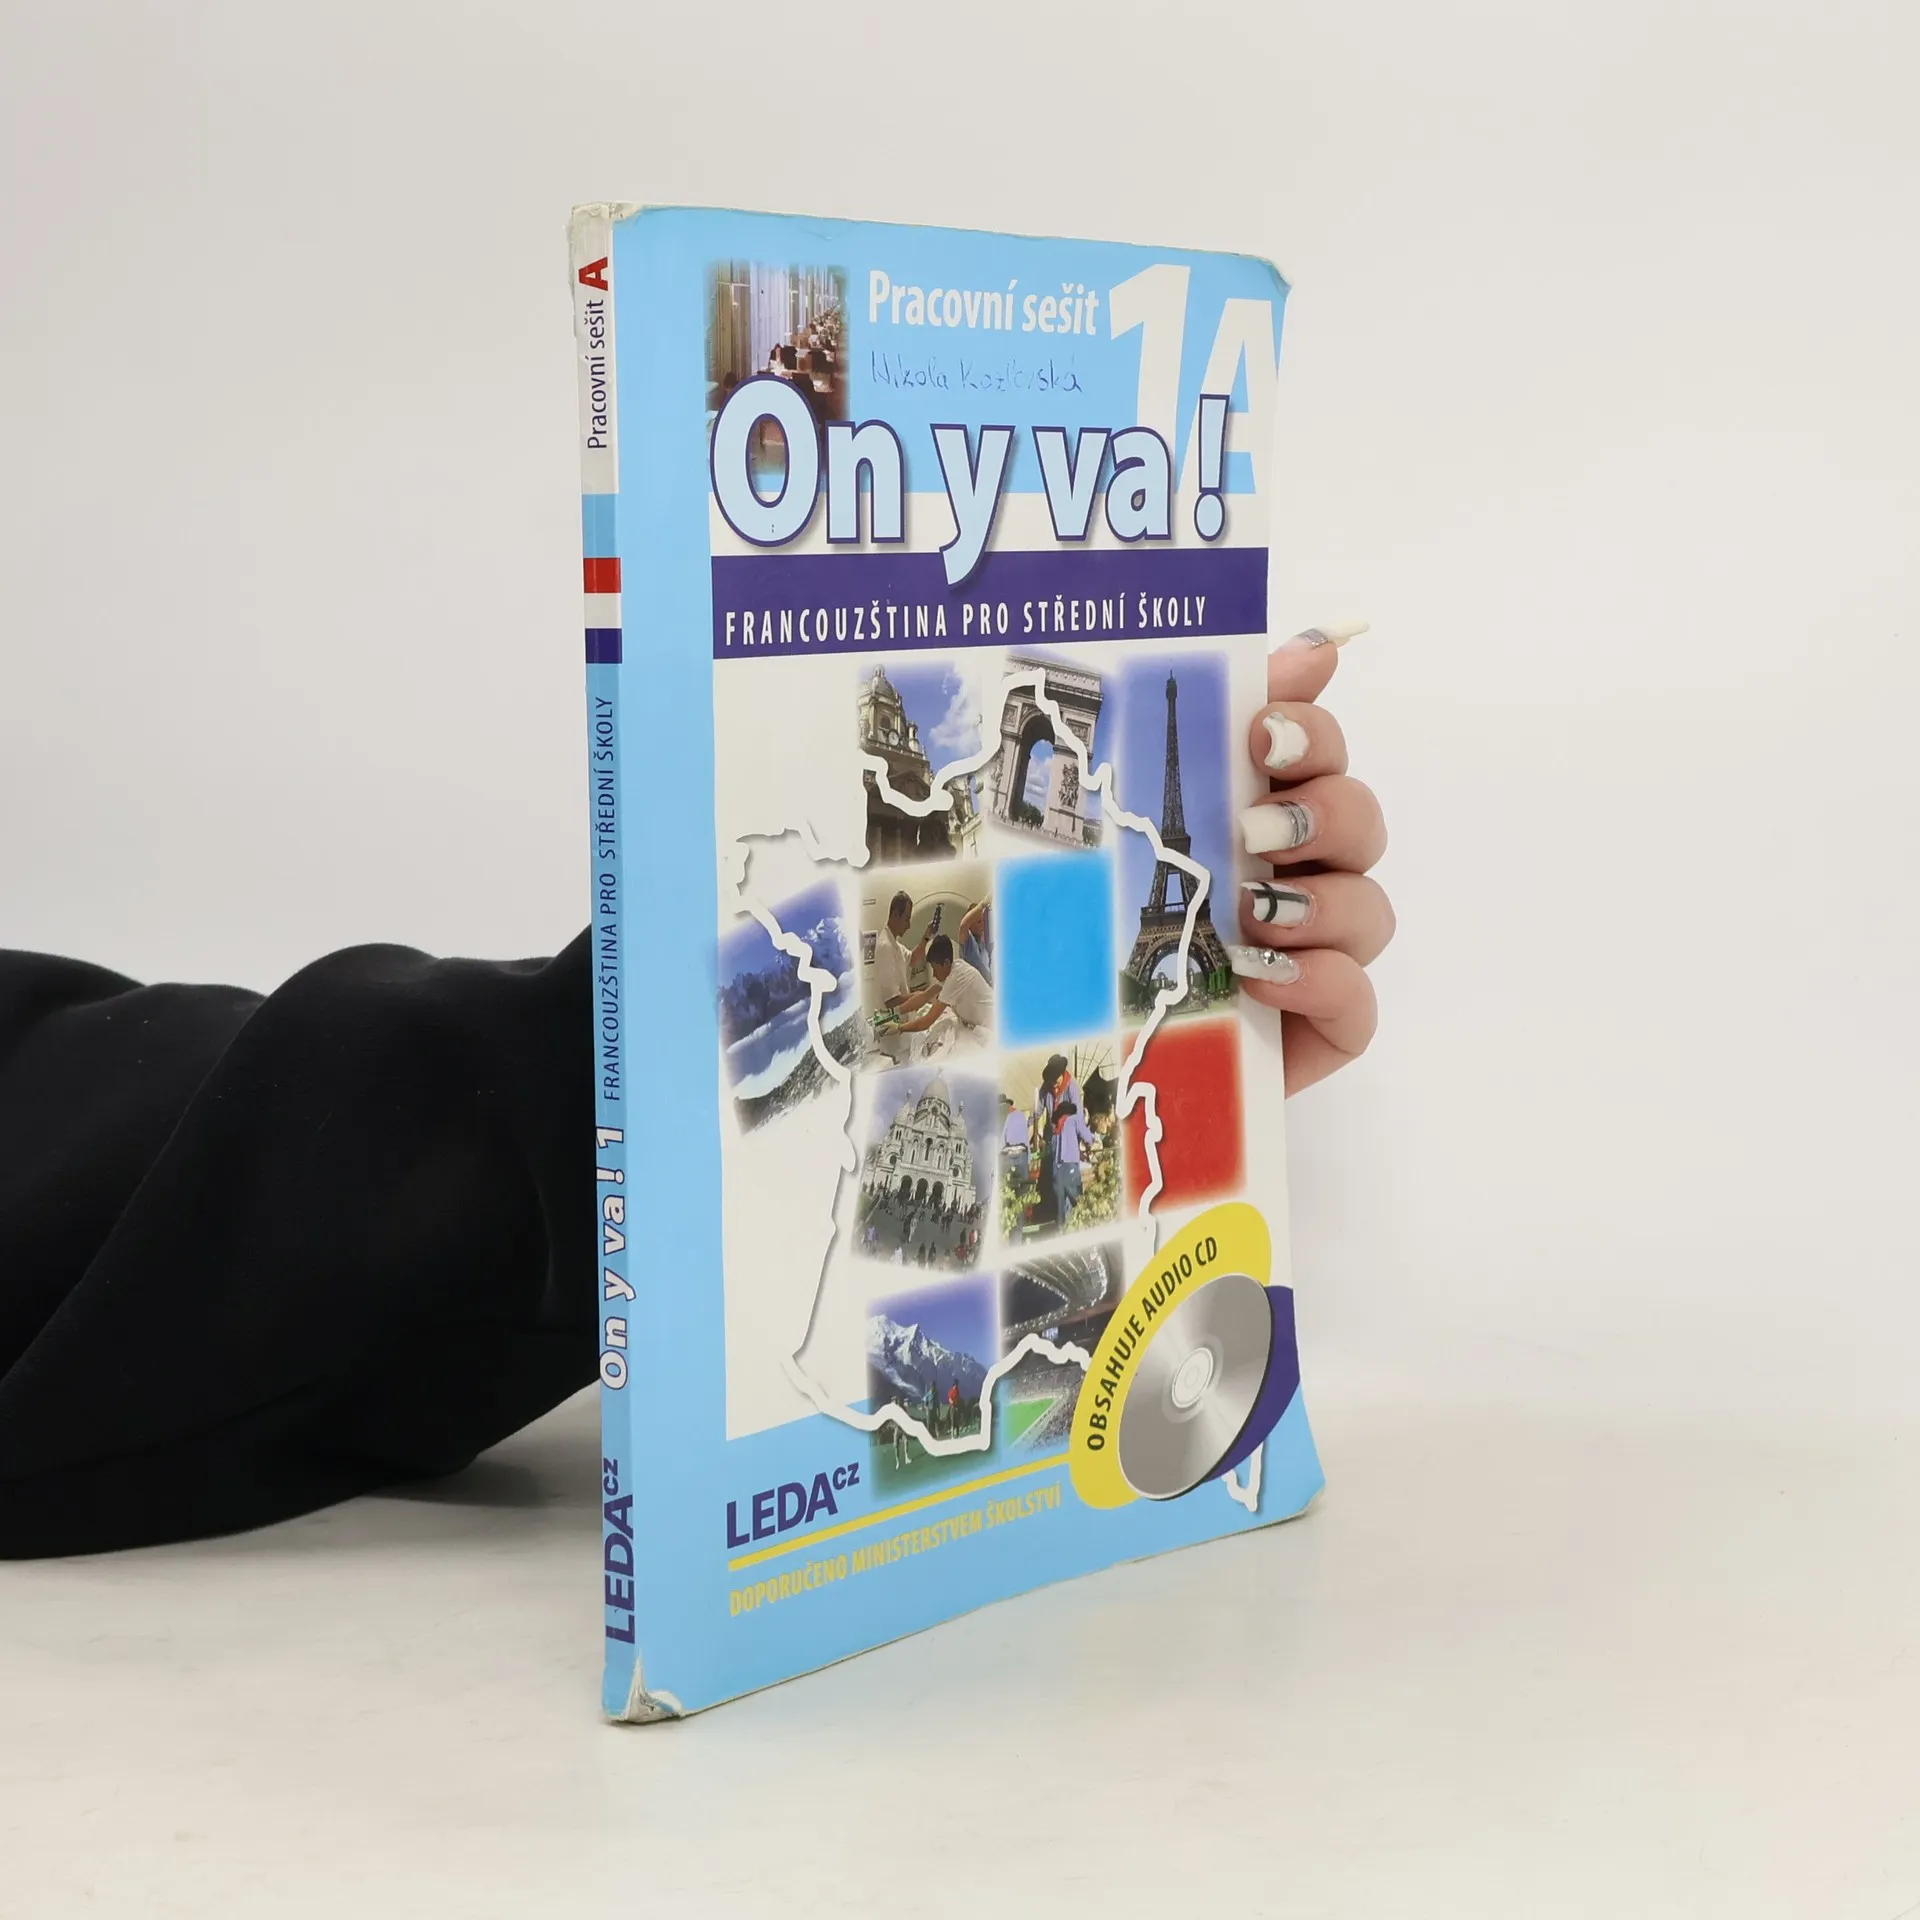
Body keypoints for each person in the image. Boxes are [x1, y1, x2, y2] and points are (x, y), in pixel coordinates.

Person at [889, 934, 991, 1041]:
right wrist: (894, 1012)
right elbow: (924, 996)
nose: (934, 975)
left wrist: (899, 1028)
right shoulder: (955, 967)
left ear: (946, 963)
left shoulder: (956, 978)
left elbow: (927, 1021)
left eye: (935, 969)